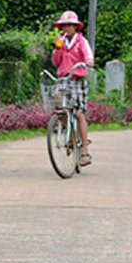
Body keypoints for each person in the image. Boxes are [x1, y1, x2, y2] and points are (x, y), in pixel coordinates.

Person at [52, 10, 95, 167]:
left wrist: (88, 61)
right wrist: (57, 48)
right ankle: (69, 135)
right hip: (64, 80)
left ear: (75, 27)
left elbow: (88, 54)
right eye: (64, 26)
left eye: (69, 25)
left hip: (77, 79)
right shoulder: (61, 42)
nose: (66, 28)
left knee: (78, 113)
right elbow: (56, 62)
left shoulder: (80, 41)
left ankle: (84, 151)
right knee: (58, 102)